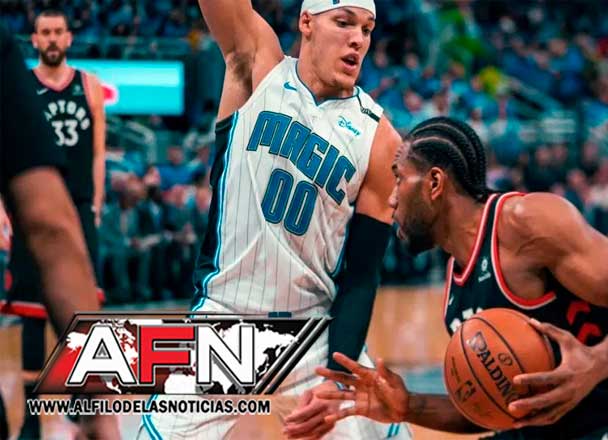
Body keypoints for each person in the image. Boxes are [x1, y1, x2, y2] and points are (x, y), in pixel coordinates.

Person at [141, 1, 410, 439]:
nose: (357, 39)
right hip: (226, 319)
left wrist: (338, 378)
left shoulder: (379, 137)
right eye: (343, 23)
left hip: (313, 332)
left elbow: (362, 275)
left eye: (366, 28)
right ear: (306, 22)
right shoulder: (258, 63)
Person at [315, 117, 608, 439]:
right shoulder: (456, 293)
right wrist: (408, 406)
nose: (392, 199)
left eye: (399, 179)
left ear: (434, 183)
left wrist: (596, 364)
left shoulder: (527, 222)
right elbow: (492, 407)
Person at [0, 23, 118, 440]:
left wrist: (96, 201)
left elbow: (99, 152)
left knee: (79, 305)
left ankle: (81, 398)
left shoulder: (88, 85)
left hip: (76, 204)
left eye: (58, 32)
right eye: (44, 32)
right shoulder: (21, 80)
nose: (51, 39)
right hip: (28, 203)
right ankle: (35, 417)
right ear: (34, 39)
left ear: (68, 38)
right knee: (31, 314)